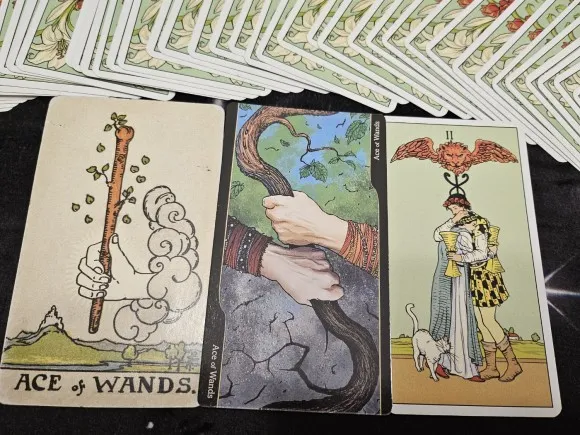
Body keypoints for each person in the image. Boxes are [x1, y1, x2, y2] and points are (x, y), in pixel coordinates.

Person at [431, 193, 484, 382]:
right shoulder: (451, 224)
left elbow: (482, 252)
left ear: (463, 206)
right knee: (444, 315)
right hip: (445, 278)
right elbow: (437, 235)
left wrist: (462, 258)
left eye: (455, 208)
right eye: (451, 209)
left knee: (461, 317)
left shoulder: (477, 223)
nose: (453, 211)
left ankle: (467, 369)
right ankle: (441, 362)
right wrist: (453, 220)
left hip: (462, 277)